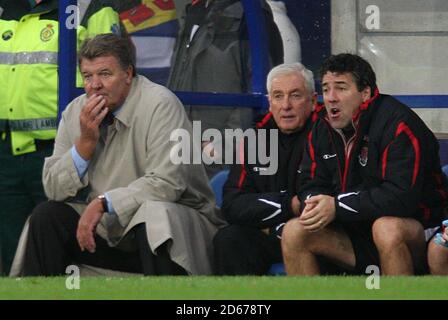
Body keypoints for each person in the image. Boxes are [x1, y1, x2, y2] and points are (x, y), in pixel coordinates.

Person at [19, 34, 224, 276]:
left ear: (128, 74)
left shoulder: (160, 104)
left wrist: (104, 202)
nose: (95, 85)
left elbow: (168, 183)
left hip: (176, 229)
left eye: (105, 74)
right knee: (47, 216)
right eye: (87, 76)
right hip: (113, 230)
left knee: (154, 214)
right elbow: (53, 189)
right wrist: (84, 146)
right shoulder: (76, 111)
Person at [282, 53, 448, 276]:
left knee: (387, 228)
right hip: (357, 229)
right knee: (294, 232)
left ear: (365, 93)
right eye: (326, 89)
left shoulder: (398, 125)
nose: (330, 98)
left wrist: (337, 207)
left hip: (419, 233)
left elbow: (401, 199)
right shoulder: (321, 127)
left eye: (341, 88)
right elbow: (309, 183)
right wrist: (314, 204)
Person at [0, 0, 121, 275]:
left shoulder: (89, 7)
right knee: (11, 259)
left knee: (60, 252)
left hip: (64, 150)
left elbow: (111, 79)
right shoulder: (7, 7)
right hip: (6, 152)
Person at [213, 62, 316, 275]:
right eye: (278, 96)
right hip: (268, 236)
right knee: (229, 238)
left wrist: (270, 219)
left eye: (295, 95)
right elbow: (233, 204)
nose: (286, 105)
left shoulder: (327, 135)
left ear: (313, 101)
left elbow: (317, 200)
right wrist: (289, 204)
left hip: (313, 235)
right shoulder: (255, 139)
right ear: (270, 103)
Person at [167, 0, 283, 178]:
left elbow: (266, 93)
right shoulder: (194, 12)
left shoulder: (250, 13)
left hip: (223, 160)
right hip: (182, 152)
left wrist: (219, 148)